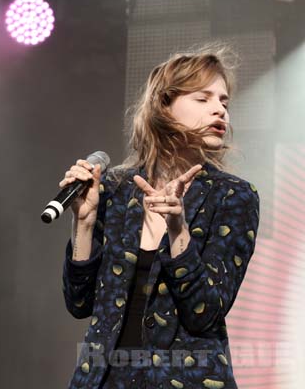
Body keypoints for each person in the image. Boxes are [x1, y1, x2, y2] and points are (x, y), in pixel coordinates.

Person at [59, 46, 260, 389]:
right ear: (163, 105)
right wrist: (85, 223)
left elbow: (205, 313)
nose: (220, 110)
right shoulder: (115, 188)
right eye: (203, 98)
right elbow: (80, 304)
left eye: (224, 102)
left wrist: (178, 230)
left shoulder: (233, 196)